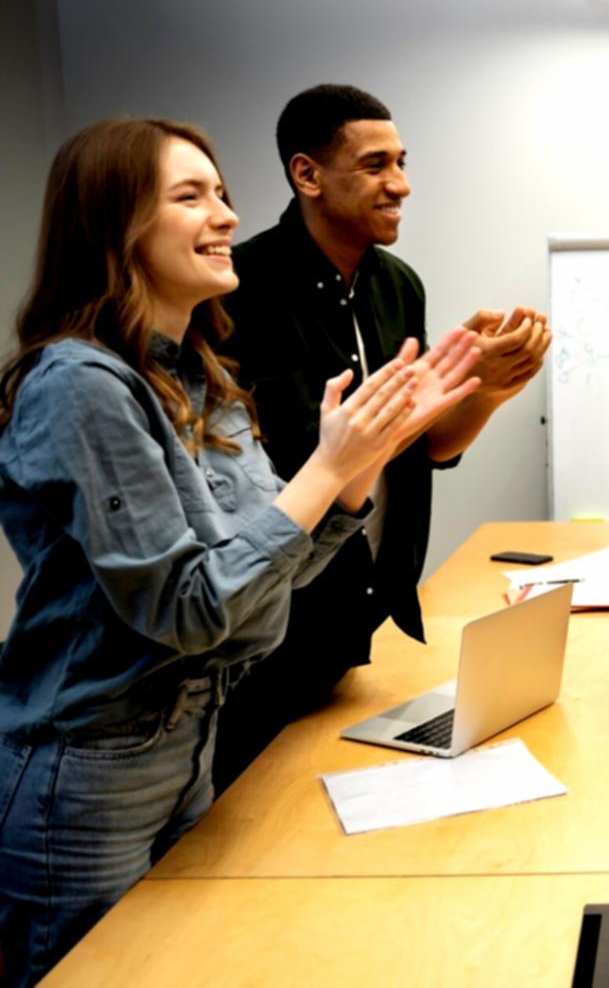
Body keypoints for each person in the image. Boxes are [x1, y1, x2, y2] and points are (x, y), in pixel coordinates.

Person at [0, 118, 480, 985]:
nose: (225, 215)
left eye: (220, 193)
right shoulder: (79, 384)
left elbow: (267, 578)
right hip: (87, 774)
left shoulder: (202, 372)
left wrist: (358, 470)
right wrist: (326, 468)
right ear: (114, 225)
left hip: (190, 745)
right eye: (190, 197)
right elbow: (190, 609)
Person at [214, 85, 551, 789]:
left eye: (400, 162)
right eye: (375, 165)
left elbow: (429, 448)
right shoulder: (237, 292)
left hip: (368, 611)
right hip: (276, 622)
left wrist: (486, 391)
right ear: (307, 175)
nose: (400, 184)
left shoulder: (399, 285)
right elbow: (300, 465)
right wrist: (429, 397)